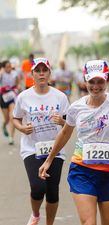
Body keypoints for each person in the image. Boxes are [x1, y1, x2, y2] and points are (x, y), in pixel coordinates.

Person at [38, 37, 109, 224]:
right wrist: (49, 160)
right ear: (85, 81)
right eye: (92, 81)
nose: (96, 86)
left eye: (100, 81)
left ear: (108, 80)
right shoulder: (76, 107)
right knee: (88, 223)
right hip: (82, 171)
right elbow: (65, 133)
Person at [13, 58, 69, 225]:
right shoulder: (24, 97)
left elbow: (70, 124)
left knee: (52, 192)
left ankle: (49, 223)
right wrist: (22, 128)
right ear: (32, 74)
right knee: (38, 188)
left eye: (45, 70)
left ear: (50, 73)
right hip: (32, 148)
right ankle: (36, 214)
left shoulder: (60, 97)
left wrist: (62, 122)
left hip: (55, 149)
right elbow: (15, 118)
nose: (41, 73)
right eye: (38, 71)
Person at [0, 60, 20, 144]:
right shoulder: (2, 74)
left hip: (12, 96)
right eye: (7, 67)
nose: (9, 68)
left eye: (10, 66)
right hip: (3, 97)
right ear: (4, 68)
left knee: (12, 117)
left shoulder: (14, 73)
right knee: (7, 119)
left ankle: (11, 138)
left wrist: (16, 88)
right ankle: (4, 125)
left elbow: (18, 83)